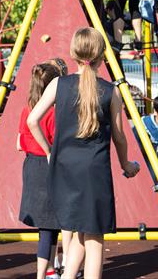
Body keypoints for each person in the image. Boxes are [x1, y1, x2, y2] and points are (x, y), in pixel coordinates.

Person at [27, 28, 139, 279]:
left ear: (73, 54)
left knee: (79, 229)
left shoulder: (59, 84)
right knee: (95, 239)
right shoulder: (111, 91)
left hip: (64, 170)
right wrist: (126, 165)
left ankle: (67, 276)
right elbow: (119, 137)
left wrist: (48, 152)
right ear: (102, 57)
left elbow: (33, 120)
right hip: (93, 172)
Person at [18, 61, 66, 279]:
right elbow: (58, 142)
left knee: (49, 225)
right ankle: (41, 274)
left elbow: (19, 142)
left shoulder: (27, 108)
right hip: (47, 166)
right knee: (49, 225)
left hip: (31, 165)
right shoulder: (53, 113)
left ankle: (48, 269)